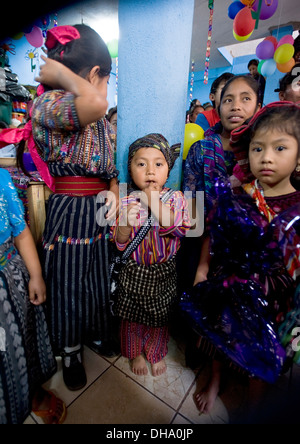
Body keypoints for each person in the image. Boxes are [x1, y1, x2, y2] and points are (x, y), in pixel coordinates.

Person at [181, 101, 300, 416]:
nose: (267, 157)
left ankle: (253, 404)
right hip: (228, 278)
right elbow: (213, 233)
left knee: (259, 353)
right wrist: (203, 268)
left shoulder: (297, 206)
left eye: (280, 148)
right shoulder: (238, 194)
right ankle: (216, 380)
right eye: (258, 149)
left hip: (272, 293)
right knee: (222, 337)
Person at [30, 24, 120, 391]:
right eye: (105, 80)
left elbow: (111, 166)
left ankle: (94, 332)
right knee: (68, 280)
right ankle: (70, 350)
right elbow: (94, 102)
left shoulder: (101, 119)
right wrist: (62, 76)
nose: (106, 92)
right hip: (70, 208)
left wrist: (114, 188)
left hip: (99, 206)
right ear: (95, 74)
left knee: (97, 276)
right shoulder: (48, 104)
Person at [111, 134, 191, 377]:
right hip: (133, 272)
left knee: (160, 318)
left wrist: (153, 200)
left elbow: (179, 227)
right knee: (130, 318)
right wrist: (124, 224)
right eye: (141, 163)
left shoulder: (176, 199)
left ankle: (155, 353)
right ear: (130, 170)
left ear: (168, 170)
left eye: (158, 164)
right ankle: (135, 352)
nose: (149, 171)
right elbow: (119, 242)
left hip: (162, 273)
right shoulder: (125, 201)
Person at [0, 167, 66, 424]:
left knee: (22, 344)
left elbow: (21, 231)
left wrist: (36, 276)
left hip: (8, 282)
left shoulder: (2, 180)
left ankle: (32, 394)